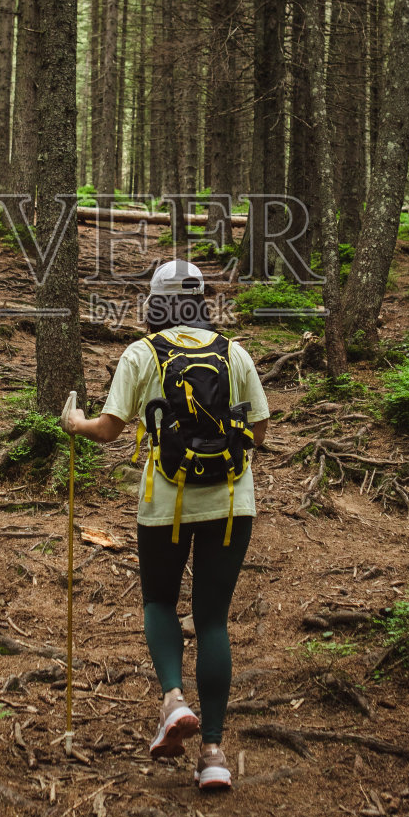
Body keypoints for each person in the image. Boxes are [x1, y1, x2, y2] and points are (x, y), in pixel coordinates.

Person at [62, 259, 269, 790]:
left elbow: (108, 430)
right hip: (230, 502)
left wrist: (72, 422)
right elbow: (260, 431)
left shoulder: (142, 353)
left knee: (159, 601)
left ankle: (174, 698)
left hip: (165, 501)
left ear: (155, 302)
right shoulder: (233, 351)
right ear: (201, 300)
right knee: (213, 622)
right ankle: (215, 755)